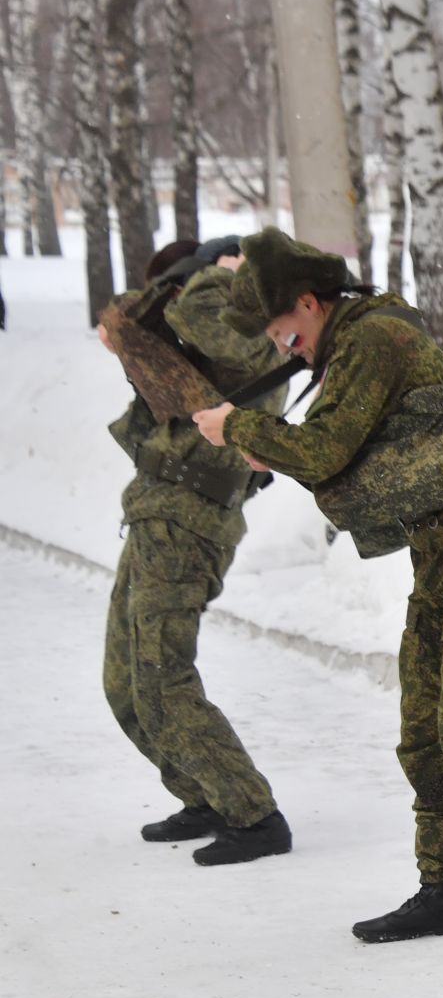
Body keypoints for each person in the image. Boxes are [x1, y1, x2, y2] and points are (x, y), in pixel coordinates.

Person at [193, 227, 443, 954]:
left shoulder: (373, 338)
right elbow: (328, 444)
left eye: (288, 337)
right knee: (423, 732)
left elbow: (321, 450)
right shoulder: (356, 340)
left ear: (313, 304)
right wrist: (263, 437)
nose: (290, 352)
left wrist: (235, 426)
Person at [102, 238, 293, 865]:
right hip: (154, 509)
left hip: (189, 522)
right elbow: (149, 330)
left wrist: (218, 277)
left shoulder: (254, 332)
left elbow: (207, 323)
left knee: (162, 676)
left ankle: (253, 815)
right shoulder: (204, 333)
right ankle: (204, 793)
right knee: (126, 681)